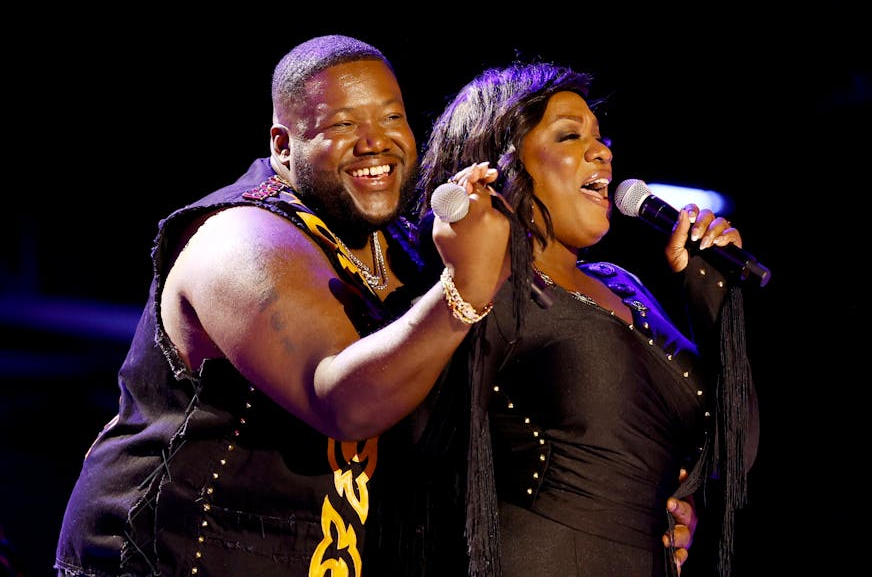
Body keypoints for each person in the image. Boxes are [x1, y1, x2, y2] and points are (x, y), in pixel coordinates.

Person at [53, 34, 698, 576]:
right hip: (161, 554)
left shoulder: (404, 256)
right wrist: (460, 294)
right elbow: (343, 398)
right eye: (342, 125)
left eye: (392, 119)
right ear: (283, 145)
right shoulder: (241, 242)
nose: (376, 142)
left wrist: (639, 502)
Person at [414, 61, 760, 577]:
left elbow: (736, 455)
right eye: (570, 136)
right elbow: (429, 447)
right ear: (498, 163)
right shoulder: (486, 289)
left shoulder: (621, 284)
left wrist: (707, 296)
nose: (603, 153)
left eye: (601, 138)